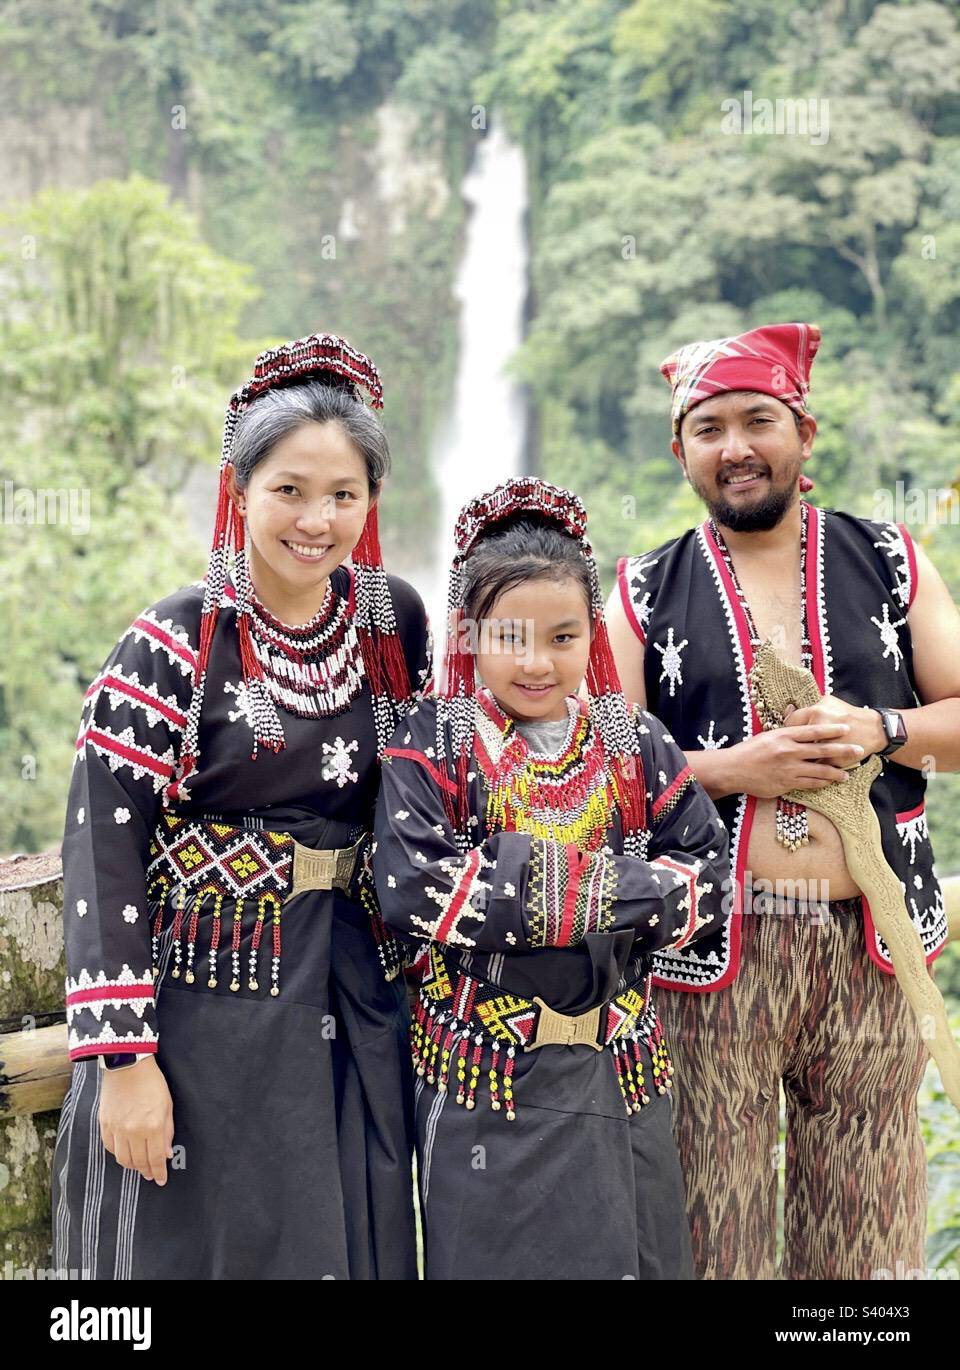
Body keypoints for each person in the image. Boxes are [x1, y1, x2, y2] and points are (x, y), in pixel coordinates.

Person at [52, 333, 431, 1280]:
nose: (317, 519)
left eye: (344, 495)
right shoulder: (172, 643)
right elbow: (103, 848)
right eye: (289, 491)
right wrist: (125, 1063)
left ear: (371, 503)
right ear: (240, 489)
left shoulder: (396, 625)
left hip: (353, 996)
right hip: (208, 1010)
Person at [606, 321, 960, 1280]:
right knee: (711, 1234)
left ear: (805, 432)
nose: (736, 446)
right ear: (680, 451)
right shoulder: (642, 592)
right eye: (709, 427)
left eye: (759, 418)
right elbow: (600, 775)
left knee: (868, 1238)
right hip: (708, 954)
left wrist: (884, 730)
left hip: (873, 949)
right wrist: (729, 770)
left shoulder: (889, 562)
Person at [372, 476, 730, 1280]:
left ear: (592, 634)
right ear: (469, 634)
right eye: (510, 638)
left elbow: (710, 885)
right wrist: (628, 888)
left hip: (624, 1073)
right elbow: (417, 889)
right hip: (490, 1086)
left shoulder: (630, 739)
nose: (537, 663)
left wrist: (517, 882)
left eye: (564, 637)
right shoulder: (434, 741)